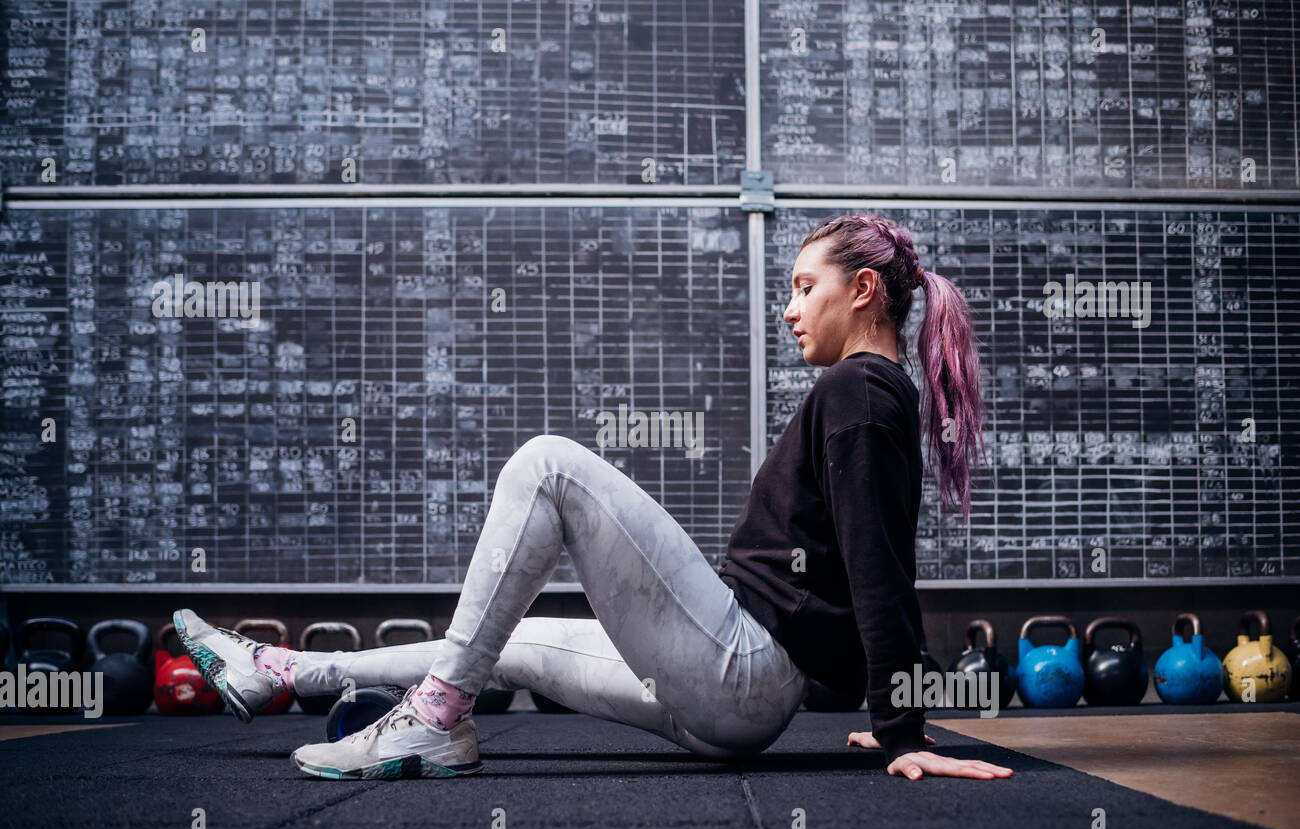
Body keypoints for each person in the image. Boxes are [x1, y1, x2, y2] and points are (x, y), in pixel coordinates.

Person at [174, 213, 1013, 783]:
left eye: (803, 287)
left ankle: (431, 720)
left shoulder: (861, 390)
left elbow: (876, 566)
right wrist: (894, 707)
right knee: (511, 636)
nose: (790, 309)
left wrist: (903, 729)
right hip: (735, 690)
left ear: (863, 290)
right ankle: (279, 671)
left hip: (740, 670)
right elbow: (877, 563)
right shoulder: (872, 392)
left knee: (547, 464)